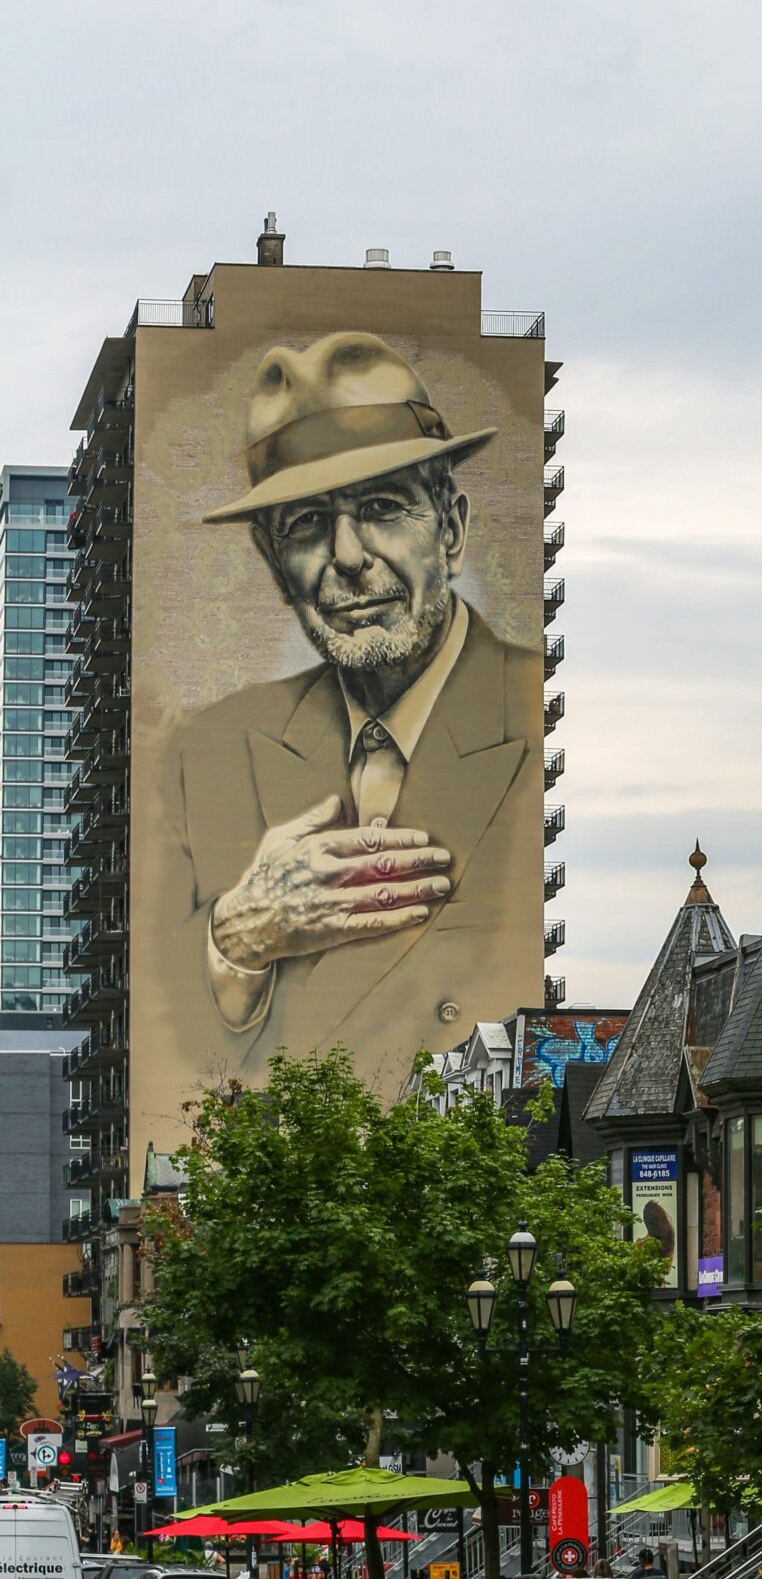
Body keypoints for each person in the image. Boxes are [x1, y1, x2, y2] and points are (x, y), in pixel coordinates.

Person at [157, 329, 541, 1072]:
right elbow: (174, 1038)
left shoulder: (532, 711)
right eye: (306, 525)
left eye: (384, 507)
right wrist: (236, 935)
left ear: (452, 532)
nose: (348, 557)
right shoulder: (209, 749)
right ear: (275, 565)